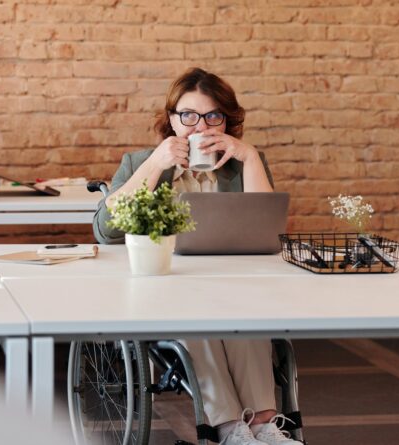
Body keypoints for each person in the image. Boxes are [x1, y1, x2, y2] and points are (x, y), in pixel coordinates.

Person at [93, 68, 299, 445]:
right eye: (187, 116)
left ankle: (264, 427)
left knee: (245, 319)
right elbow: (107, 229)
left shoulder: (242, 163)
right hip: (166, 289)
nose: (199, 127)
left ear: (227, 121)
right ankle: (229, 428)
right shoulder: (140, 161)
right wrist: (156, 163)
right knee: (200, 316)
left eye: (212, 116)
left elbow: (268, 232)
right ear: (171, 119)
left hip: (232, 286)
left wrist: (250, 157)